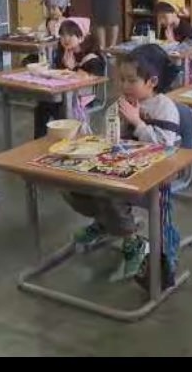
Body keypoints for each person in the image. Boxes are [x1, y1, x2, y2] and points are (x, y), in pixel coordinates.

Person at [66, 44, 181, 283]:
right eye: (121, 80)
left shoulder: (164, 107)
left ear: (152, 81)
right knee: (70, 182)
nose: (124, 86)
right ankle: (106, 221)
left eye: (131, 80)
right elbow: (107, 138)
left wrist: (137, 122)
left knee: (109, 190)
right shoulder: (120, 103)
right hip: (120, 165)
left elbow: (166, 147)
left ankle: (132, 241)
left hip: (154, 174)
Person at [33, 19, 105, 139]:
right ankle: (39, 142)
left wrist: (73, 68)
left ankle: (65, 138)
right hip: (64, 93)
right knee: (42, 105)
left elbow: (87, 79)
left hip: (82, 97)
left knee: (58, 107)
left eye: (70, 35)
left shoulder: (92, 58)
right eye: (62, 35)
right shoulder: (64, 53)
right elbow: (59, 72)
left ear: (82, 37)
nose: (65, 39)